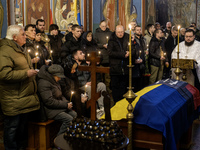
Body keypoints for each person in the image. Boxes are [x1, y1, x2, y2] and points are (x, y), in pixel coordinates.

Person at [0, 25, 40, 150]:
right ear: (14, 37)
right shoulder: (5, 51)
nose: (25, 36)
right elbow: (4, 74)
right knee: (12, 129)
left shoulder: (19, 49)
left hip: (23, 97)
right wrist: (26, 73)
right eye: (23, 34)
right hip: (13, 98)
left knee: (20, 129)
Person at [37, 64, 77, 135]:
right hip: (50, 110)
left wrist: (67, 103)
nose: (60, 79)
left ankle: (69, 136)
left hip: (58, 107)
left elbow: (60, 95)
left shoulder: (54, 81)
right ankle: (58, 140)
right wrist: (65, 104)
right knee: (69, 120)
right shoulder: (44, 83)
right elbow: (49, 101)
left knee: (74, 114)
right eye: (58, 77)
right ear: (53, 75)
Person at [72, 50, 107, 119]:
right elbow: (74, 80)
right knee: (90, 89)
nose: (83, 54)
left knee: (101, 85)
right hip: (80, 86)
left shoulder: (86, 64)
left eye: (83, 53)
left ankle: (102, 109)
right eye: (81, 54)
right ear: (76, 57)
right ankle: (94, 110)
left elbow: (91, 74)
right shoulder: (73, 66)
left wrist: (92, 81)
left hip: (89, 83)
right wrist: (85, 83)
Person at [107, 25, 130, 103]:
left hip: (125, 68)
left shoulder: (128, 37)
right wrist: (123, 54)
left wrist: (130, 53)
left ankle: (123, 104)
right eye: (119, 32)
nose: (120, 34)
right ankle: (116, 104)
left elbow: (133, 48)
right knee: (115, 88)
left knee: (124, 88)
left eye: (122, 32)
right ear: (115, 32)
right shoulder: (112, 39)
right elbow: (110, 52)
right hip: (115, 68)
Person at [94, 20, 112, 97]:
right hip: (100, 58)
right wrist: (102, 46)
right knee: (100, 78)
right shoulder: (96, 34)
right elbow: (95, 44)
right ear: (100, 26)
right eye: (102, 26)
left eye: (105, 26)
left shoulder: (110, 33)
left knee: (108, 79)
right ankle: (101, 94)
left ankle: (108, 93)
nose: (104, 28)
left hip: (108, 58)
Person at [133, 26, 146, 92]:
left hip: (142, 62)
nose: (139, 31)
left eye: (140, 30)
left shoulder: (143, 39)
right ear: (134, 31)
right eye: (137, 30)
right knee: (136, 81)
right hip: (136, 62)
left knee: (142, 80)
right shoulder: (133, 40)